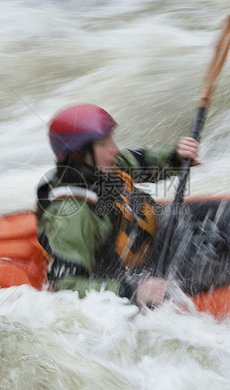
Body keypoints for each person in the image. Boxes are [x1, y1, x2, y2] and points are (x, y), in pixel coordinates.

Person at [35, 103, 200, 307]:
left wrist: (176, 157)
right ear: (78, 155)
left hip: (141, 244)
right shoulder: (71, 215)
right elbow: (67, 287)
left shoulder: (104, 167)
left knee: (191, 220)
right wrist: (133, 292)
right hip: (118, 279)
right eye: (104, 143)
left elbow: (148, 163)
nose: (115, 148)